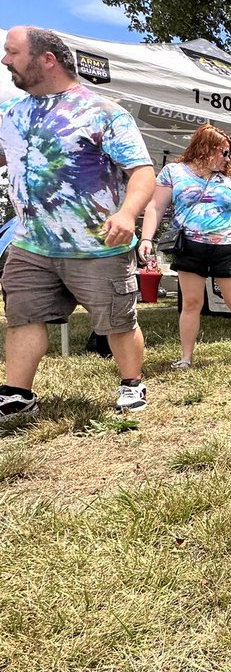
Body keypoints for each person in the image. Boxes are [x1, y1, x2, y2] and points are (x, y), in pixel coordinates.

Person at [0, 25, 156, 419]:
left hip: (97, 242)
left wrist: (126, 214)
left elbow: (142, 172)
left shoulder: (102, 112)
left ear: (46, 59)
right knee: (23, 316)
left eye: (12, 53)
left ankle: (131, 384)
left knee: (116, 321)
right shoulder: (10, 114)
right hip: (31, 242)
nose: (5, 61)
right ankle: (17, 394)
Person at [138, 123, 231, 367]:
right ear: (206, 148)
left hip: (226, 246)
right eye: (224, 151)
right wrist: (146, 238)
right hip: (190, 246)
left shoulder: (230, 182)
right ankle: (186, 358)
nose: (228, 157)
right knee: (192, 303)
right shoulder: (173, 172)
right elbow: (155, 207)